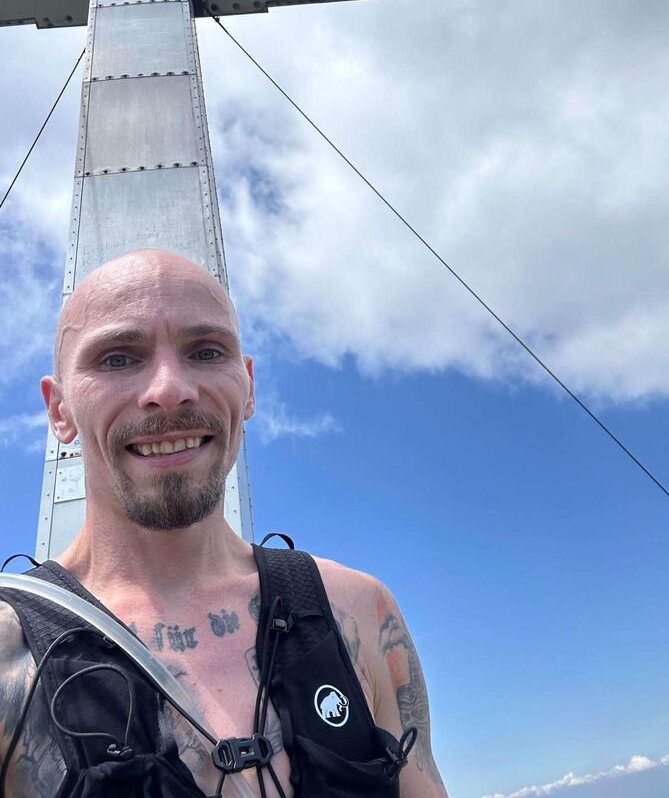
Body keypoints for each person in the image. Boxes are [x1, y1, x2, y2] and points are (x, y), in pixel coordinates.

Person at [0, 249, 448, 798]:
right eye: (117, 359)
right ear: (59, 410)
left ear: (248, 386)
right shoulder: (7, 650)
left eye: (207, 352)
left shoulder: (358, 611)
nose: (170, 388)